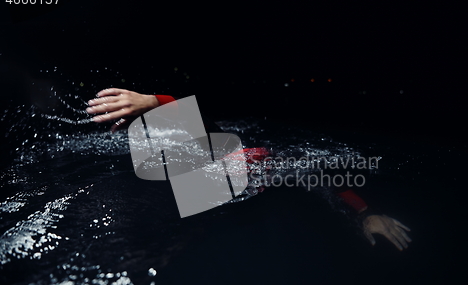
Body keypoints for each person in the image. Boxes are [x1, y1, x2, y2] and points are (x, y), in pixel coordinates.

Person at [86, 88, 412, 251]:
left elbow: (322, 178)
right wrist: (151, 105)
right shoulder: (194, 165)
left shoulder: (259, 167)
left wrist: (366, 213)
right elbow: (200, 126)